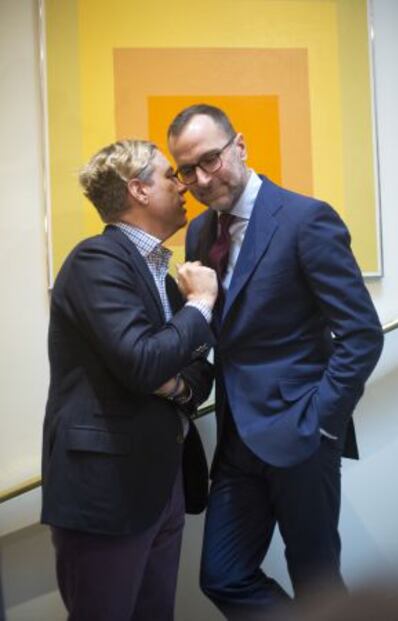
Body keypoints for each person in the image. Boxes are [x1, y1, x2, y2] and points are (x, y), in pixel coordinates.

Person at [168, 104, 384, 619]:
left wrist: (321, 421)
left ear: (239, 146)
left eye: (211, 160)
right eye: (186, 170)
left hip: (302, 435)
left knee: (317, 584)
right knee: (222, 576)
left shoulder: (307, 219)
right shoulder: (200, 233)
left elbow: (361, 334)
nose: (200, 178)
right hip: (238, 440)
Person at [41, 139, 218, 621]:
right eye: (169, 176)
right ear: (138, 190)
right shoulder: (95, 261)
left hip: (163, 483)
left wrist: (177, 384)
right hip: (107, 492)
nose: (183, 185)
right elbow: (143, 363)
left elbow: (198, 369)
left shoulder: (163, 275)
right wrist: (201, 304)